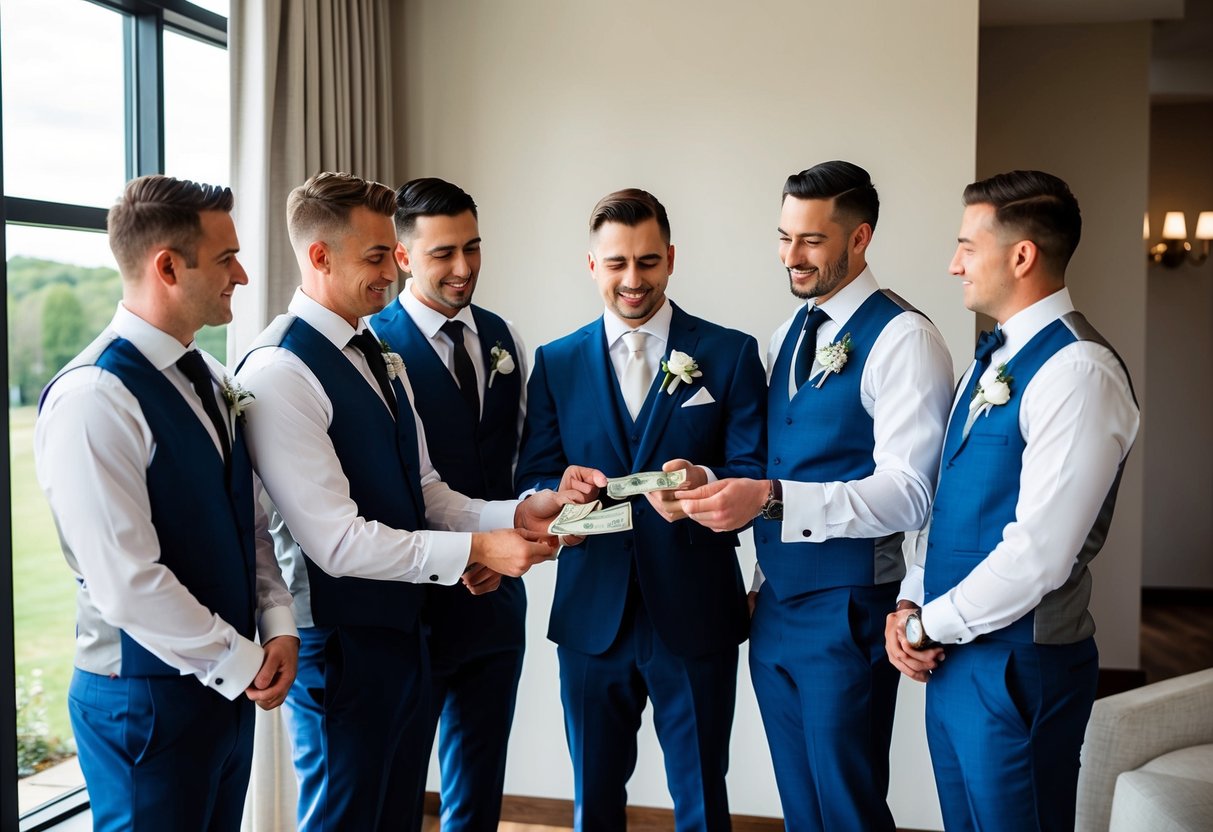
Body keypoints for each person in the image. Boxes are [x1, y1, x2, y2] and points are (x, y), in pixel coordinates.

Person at [235, 171, 567, 832]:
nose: (394, 270)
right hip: (339, 643)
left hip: (401, 634)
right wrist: (478, 547)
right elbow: (335, 541)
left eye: (392, 252)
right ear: (320, 256)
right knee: (345, 819)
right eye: (377, 256)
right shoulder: (279, 371)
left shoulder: (376, 353)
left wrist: (514, 515)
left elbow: (425, 493)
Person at [676, 161, 954, 830]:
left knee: (847, 806)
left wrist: (770, 500)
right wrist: (711, 492)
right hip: (773, 607)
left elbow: (910, 494)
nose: (789, 257)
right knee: (800, 809)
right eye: (782, 237)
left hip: (850, 608)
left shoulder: (904, 340)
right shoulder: (787, 334)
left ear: (858, 239)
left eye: (809, 241)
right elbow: (776, 462)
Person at [35, 174, 298, 831]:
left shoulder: (208, 376)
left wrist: (278, 620)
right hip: (142, 703)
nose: (240, 273)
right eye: (225, 258)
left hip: (223, 682)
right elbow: (127, 583)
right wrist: (243, 663)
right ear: (167, 266)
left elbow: (248, 519)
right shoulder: (93, 398)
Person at [884, 170, 1139, 832]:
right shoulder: (986, 362)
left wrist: (926, 625)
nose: (952, 263)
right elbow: (947, 507)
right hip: (950, 654)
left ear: (1020, 255)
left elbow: (1039, 555)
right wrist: (910, 600)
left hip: (1018, 666)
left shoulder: (1079, 371)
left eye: (967, 245)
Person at [514, 188, 767, 831]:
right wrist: (558, 488)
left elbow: (753, 468)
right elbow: (534, 474)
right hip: (591, 613)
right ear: (592, 265)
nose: (633, 280)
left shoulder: (730, 353)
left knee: (703, 795)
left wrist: (702, 478)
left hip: (696, 608)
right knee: (593, 799)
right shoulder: (556, 361)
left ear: (672, 259)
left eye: (648, 262)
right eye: (618, 263)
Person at [369, 177, 528, 831]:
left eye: (472, 247)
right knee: (397, 787)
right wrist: (464, 553)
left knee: (479, 787)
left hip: (496, 608)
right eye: (442, 254)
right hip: (413, 610)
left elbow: (521, 457)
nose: (463, 268)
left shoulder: (505, 337)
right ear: (403, 256)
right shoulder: (371, 345)